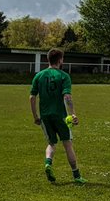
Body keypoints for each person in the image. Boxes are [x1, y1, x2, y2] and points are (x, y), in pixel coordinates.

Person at [30, 48, 84, 184]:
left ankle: (48, 163)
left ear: (48, 60)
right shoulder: (64, 76)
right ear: (60, 60)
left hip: (45, 116)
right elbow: (67, 96)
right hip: (60, 115)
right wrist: (72, 114)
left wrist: (36, 116)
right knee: (67, 144)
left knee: (51, 143)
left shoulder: (39, 76)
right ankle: (77, 176)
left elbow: (32, 97)